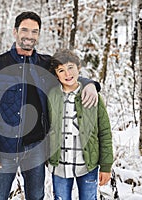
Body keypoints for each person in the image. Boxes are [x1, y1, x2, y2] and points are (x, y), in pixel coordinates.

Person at [0, 11, 100, 200]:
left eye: (35, 31)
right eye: (25, 30)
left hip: (36, 148)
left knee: (36, 196)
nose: (29, 36)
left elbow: (69, 76)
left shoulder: (46, 64)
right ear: (15, 32)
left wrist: (90, 84)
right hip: (4, 148)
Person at [47, 49, 113, 200]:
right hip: (60, 166)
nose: (67, 74)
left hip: (87, 165)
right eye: (61, 70)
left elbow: (104, 131)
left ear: (78, 68)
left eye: (70, 68)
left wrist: (106, 166)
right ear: (56, 74)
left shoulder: (92, 95)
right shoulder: (51, 95)